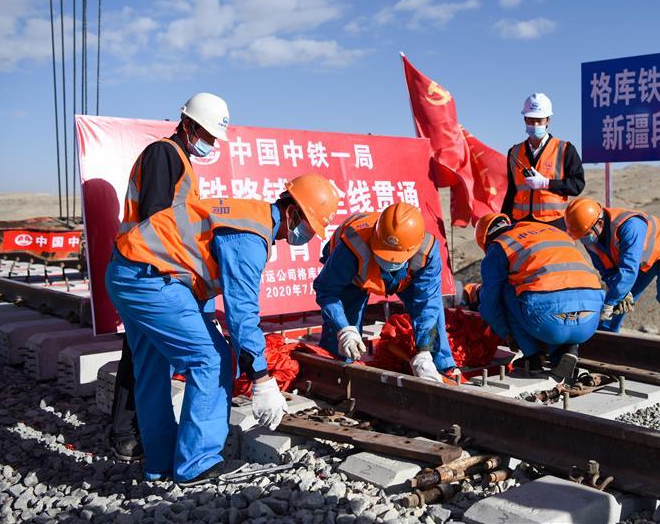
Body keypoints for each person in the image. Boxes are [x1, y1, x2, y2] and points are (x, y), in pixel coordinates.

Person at [105, 174, 339, 485]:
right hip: (151, 281)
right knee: (211, 358)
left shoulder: (248, 217)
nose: (305, 235)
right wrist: (261, 378)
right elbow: (242, 312)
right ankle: (196, 464)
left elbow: (192, 265)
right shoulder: (251, 237)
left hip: (127, 273)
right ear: (292, 212)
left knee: (151, 368)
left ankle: (159, 464)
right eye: (308, 226)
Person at [109, 92, 229, 462]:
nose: (209, 144)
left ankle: (140, 440)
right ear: (189, 125)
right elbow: (159, 222)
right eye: (207, 135)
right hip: (147, 268)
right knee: (148, 356)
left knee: (143, 354)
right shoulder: (165, 153)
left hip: (150, 269)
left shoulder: (182, 160)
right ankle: (128, 434)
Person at [314, 203, 456, 382]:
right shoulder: (352, 246)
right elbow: (327, 290)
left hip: (405, 278)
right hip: (353, 278)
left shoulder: (426, 252)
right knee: (342, 343)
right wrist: (344, 329)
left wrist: (424, 350)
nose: (389, 261)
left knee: (432, 315)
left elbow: (428, 302)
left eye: (395, 258)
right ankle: (336, 373)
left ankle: (438, 367)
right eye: (385, 255)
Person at [474, 212, 604, 380]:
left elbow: (489, 305)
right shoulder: (552, 231)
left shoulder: (499, 246)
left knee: (506, 289)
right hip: (591, 318)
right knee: (563, 299)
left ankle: (532, 358)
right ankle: (566, 350)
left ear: (485, 240)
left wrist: (506, 333)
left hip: (549, 323)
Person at [565, 198, 660, 343]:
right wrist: (619, 294)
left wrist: (611, 301)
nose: (584, 240)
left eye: (586, 234)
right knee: (621, 295)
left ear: (600, 223)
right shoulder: (591, 237)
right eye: (580, 237)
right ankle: (606, 339)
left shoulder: (629, 225)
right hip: (642, 261)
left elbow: (628, 269)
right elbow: (606, 270)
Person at [501, 93, 585, 231]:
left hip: (553, 223)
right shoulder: (514, 152)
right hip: (520, 224)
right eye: (531, 120)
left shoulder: (565, 149)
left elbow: (577, 185)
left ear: (548, 121)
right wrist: (504, 219)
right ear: (525, 120)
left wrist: (547, 183)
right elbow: (511, 191)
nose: (535, 124)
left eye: (539, 120)